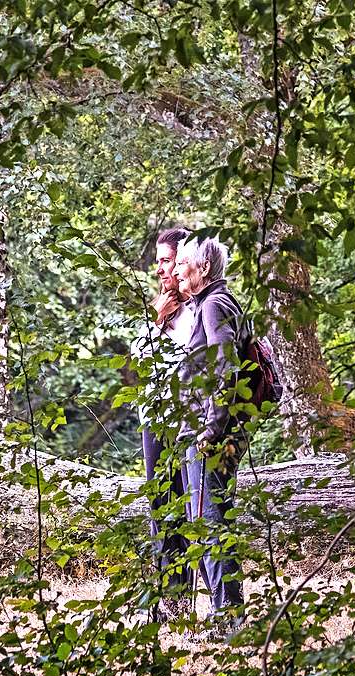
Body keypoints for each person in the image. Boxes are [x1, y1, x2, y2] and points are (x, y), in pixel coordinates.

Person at [172, 235, 247, 618]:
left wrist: (210, 429)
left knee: (209, 521)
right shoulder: (210, 303)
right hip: (202, 429)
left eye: (182, 262)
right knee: (201, 520)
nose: (175, 270)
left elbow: (225, 367)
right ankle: (225, 612)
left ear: (202, 268)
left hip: (209, 434)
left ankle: (228, 617)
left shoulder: (215, 305)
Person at [134, 226, 195, 617]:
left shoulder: (201, 307)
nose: (159, 269)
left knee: (195, 509)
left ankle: (200, 599)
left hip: (187, 420)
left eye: (166, 261)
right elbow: (140, 358)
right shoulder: (164, 305)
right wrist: (158, 316)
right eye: (157, 262)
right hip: (154, 420)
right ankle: (169, 602)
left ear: (184, 260)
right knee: (162, 508)